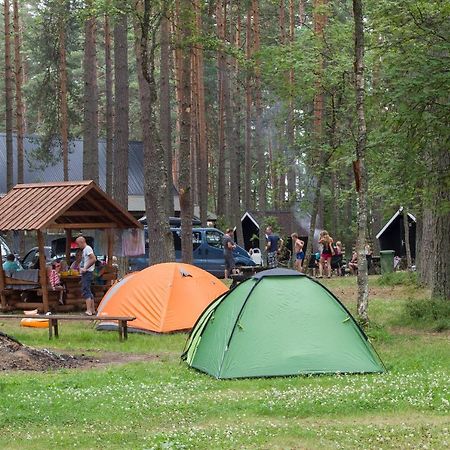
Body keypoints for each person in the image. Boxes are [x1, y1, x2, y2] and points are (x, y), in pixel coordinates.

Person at [76, 236, 97, 315]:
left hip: (88, 272)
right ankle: (93, 310)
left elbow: (93, 259)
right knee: (88, 290)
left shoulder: (87, 249)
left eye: (78, 244)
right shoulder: (85, 250)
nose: (78, 246)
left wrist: (85, 268)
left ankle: (88, 310)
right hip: (86, 273)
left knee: (86, 290)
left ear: (82, 242)